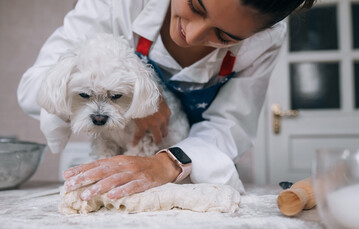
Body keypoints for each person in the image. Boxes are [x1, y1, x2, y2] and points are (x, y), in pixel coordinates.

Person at [17, 0, 315, 200]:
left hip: (192, 177)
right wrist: (135, 100)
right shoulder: (120, 4)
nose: (193, 34)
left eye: (223, 35)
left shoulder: (265, 41)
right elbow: (33, 88)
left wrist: (169, 163)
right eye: (196, 5)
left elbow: (230, 126)